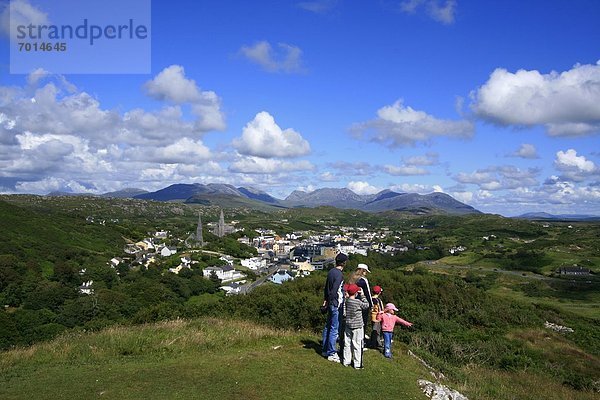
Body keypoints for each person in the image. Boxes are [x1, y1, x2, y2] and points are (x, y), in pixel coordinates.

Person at [321, 252, 348, 363]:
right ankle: (331, 352)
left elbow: (326, 288)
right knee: (334, 328)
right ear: (344, 263)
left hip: (330, 302)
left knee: (328, 326)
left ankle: (325, 348)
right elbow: (335, 290)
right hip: (336, 303)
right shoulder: (339, 275)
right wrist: (336, 299)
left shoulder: (331, 272)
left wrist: (326, 300)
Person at [342, 283, 370, 369]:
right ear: (356, 293)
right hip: (358, 326)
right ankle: (357, 364)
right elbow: (367, 305)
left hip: (348, 325)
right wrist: (363, 295)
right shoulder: (358, 302)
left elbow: (344, 312)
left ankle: (346, 361)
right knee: (357, 345)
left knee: (347, 344)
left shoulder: (346, 301)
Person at [348, 263, 372, 343]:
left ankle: (350, 340)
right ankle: (361, 342)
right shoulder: (363, 280)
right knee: (362, 323)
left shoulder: (352, 278)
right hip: (362, 303)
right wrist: (371, 305)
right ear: (363, 271)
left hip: (351, 302)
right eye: (365, 271)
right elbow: (367, 293)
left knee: (351, 322)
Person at [368, 285, 384, 350]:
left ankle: (375, 343)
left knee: (374, 329)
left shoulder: (370, 299)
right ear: (379, 292)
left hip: (372, 316)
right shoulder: (378, 300)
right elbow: (381, 309)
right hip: (378, 317)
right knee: (376, 331)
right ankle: (375, 344)